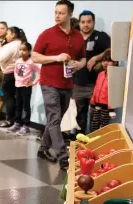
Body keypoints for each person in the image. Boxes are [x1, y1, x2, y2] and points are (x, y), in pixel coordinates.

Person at [32, 0, 86, 170]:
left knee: (56, 119)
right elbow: (35, 57)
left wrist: (80, 64)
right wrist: (55, 58)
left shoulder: (78, 36)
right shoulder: (47, 34)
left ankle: (42, 149)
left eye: (61, 13)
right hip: (49, 83)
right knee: (54, 118)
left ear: (70, 14)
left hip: (68, 84)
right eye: (55, 12)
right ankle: (63, 156)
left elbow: (83, 58)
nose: (57, 15)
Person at [73, 10, 111, 134]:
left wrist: (96, 58)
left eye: (89, 22)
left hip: (96, 86)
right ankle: (79, 141)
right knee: (79, 114)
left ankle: (94, 143)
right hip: (77, 83)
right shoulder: (74, 37)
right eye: (83, 22)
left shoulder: (101, 36)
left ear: (93, 23)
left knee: (96, 116)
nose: (86, 25)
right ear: (79, 23)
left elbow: (112, 50)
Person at [0, 26, 27, 129]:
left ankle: (9, 120)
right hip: (18, 74)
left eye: (8, 33)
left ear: (13, 34)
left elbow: (1, 58)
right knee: (15, 98)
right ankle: (16, 121)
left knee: (9, 98)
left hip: (9, 74)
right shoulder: (21, 44)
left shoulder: (12, 45)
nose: (6, 36)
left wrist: (0, 46)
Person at [10, 42, 40, 135]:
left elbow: (40, 72)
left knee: (26, 107)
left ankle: (26, 126)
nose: (22, 52)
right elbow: (15, 71)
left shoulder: (31, 62)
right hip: (17, 86)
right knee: (18, 105)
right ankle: (17, 123)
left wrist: (33, 82)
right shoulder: (18, 61)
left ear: (29, 51)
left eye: (24, 50)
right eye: (20, 49)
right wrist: (17, 79)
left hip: (26, 87)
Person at [89, 49, 117, 132]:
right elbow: (96, 89)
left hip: (106, 107)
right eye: (104, 61)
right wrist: (92, 102)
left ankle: (101, 142)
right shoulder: (101, 74)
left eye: (108, 61)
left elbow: (114, 94)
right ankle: (93, 142)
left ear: (114, 62)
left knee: (103, 126)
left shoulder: (115, 76)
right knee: (94, 125)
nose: (105, 63)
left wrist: (111, 109)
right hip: (97, 105)